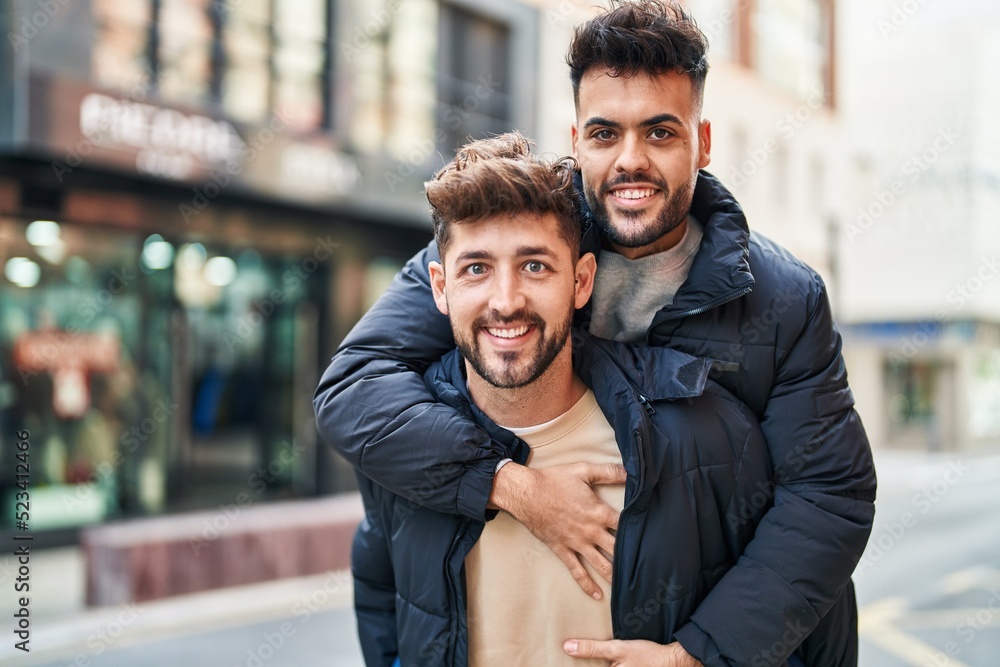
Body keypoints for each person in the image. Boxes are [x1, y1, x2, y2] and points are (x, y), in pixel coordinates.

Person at [316, 2, 876, 664]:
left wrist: (696, 654)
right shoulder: (517, 238)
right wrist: (512, 484)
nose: (630, 162)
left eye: (661, 134)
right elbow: (352, 391)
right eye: (607, 133)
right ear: (576, 137)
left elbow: (828, 497)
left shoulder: (783, 298)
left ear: (703, 141)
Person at [351, 132, 773, 667]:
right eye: (476, 269)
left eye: (534, 266)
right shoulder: (398, 447)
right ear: (439, 287)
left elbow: (787, 625)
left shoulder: (701, 436)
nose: (506, 302)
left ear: (581, 282)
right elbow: (380, 598)